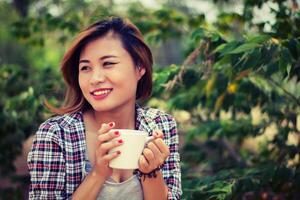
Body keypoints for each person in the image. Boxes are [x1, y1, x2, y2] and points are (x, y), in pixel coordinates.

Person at [27, 16, 182, 200]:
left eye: (108, 63)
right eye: (85, 68)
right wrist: (98, 173)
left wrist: (151, 171)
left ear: (140, 67)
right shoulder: (56, 134)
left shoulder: (161, 126)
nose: (95, 79)